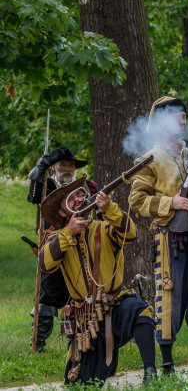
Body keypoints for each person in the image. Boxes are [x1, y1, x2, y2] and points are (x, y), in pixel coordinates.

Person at [128, 97, 188, 375]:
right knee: (169, 296)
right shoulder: (150, 158)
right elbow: (136, 200)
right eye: (178, 116)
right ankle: (167, 366)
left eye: (184, 116)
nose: (183, 120)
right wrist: (171, 203)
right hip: (169, 238)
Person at [38, 177, 156, 384]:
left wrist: (110, 208)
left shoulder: (103, 228)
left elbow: (131, 234)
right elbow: (45, 264)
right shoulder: (56, 237)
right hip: (85, 318)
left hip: (115, 304)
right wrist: (68, 233)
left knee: (140, 310)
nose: (79, 198)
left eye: (81, 194)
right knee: (78, 381)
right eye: (72, 195)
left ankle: (151, 373)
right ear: (61, 211)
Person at [27, 146, 98, 352]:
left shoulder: (87, 186)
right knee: (47, 295)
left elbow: (98, 207)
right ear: (54, 167)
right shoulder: (45, 186)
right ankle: (38, 343)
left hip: (81, 246)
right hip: (54, 244)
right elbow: (33, 197)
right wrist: (38, 172)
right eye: (62, 165)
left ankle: (76, 342)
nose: (67, 169)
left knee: (76, 294)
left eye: (70, 165)